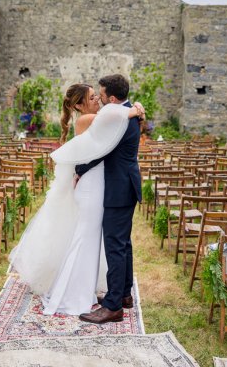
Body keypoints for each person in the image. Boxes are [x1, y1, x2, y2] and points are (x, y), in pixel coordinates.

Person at [9, 83, 144, 316]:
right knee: (87, 237)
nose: (97, 101)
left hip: (101, 183)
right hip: (91, 185)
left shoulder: (102, 116)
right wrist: (133, 110)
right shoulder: (90, 119)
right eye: (92, 98)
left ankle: (110, 292)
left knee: (98, 240)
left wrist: (132, 109)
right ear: (80, 105)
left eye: (97, 96)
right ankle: (78, 293)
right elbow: (114, 117)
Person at [77, 74, 142, 324]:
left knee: (115, 246)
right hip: (127, 185)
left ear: (112, 98)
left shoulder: (118, 118)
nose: (100, 99)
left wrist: (79, 171)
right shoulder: (128, 111)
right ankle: (124, 294)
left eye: (101, 95)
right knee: (123, 244)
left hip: (119, 188)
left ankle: (113, 306)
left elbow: (101, 151)